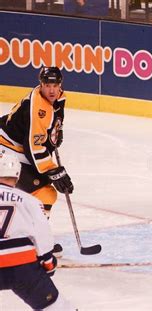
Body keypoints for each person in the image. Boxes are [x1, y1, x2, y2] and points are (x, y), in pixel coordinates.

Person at [0, 66, 74, 256]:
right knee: (43, 192)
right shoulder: (38, 107)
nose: (51, 90)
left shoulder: (58, 97)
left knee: (43, 193)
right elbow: (33, 148)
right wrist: (54, 170)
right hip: (6, 148)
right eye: (46, 85)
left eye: (54, 85)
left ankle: (32, 237)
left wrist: (55, 133)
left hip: (16, 147)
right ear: (40, 84)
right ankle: (34, 241)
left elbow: (51, 123)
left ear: (60, 85)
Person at [0, 153, 75, 310]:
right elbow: (42, 232)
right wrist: (48, 261)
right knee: (57, 307)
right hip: (22, 266)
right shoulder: (30, 201)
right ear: (18, 174)